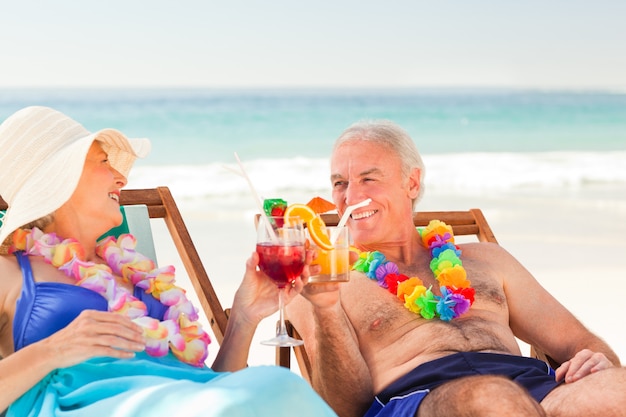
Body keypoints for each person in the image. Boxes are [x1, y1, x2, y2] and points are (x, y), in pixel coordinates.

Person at [0, 106, 337, 417]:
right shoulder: (11, 271)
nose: (122, 178)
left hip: (190, 404)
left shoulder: (139, 276)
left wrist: (244, 316)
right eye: (104, 162)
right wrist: (55, 350)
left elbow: (213, 390)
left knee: (278, 385)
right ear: (61, 178)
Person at [286, 119, 626, 417]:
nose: (351, 196)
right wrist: (327, 310)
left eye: (368, 179)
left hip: (534, 390)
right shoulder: (323, 282)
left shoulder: (488, 259)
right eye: (340, 183)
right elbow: (342, 408)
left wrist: (596, 361)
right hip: (418, 400)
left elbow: (580, 342)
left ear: (412, 183)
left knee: (618, 387)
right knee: (493, 399)